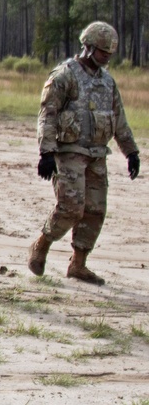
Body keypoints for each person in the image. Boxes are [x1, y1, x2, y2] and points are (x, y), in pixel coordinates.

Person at [26, 22, 139, 284]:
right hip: (69, 152)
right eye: (102, 52)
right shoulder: (65, 75)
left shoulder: (107, 82)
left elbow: (119, 120)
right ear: (88, 48)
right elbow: (48, 114)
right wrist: (46, 152)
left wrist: (131, 151)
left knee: (95, 210)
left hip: (97, 154)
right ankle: (41, 244)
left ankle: (78, 264)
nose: (106, 58)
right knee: (71, 208)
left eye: (109, 54)